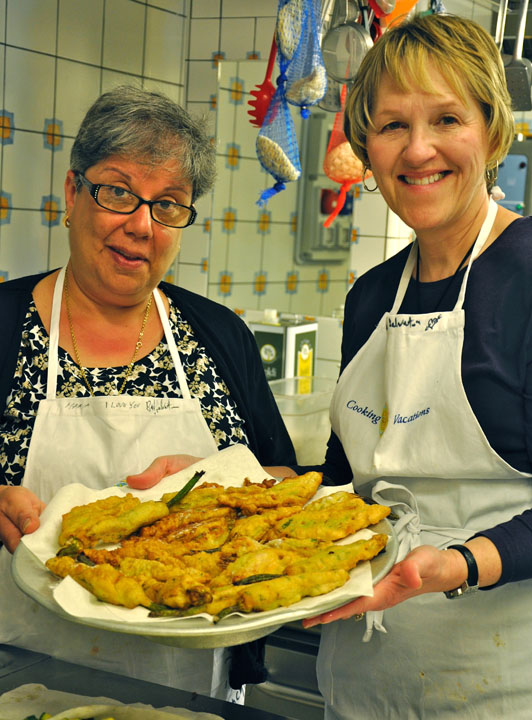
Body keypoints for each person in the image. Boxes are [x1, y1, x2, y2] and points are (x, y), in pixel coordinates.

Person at [131, 12, 532, 718]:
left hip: (499, 682)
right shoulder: (371, 296)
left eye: (446, 119)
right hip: (363, 677)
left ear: (493, 133)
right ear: (366, 148)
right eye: (392, 125)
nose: (418, 149)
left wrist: (460, 563)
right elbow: (350, 487)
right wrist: (235, 484)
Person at [0, 85, 295, 698]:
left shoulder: (220, 336)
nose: (141, 225)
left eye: (168, 205)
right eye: (118, 192)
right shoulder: (3, 325)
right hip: (22, 674)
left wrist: (221, 486)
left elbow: (286, 482)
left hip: (195, 684)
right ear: (72, 193)